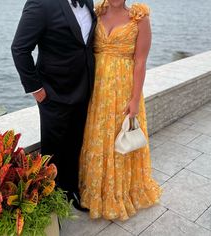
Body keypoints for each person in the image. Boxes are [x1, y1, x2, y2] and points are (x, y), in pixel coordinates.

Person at [78, 0, 162, 220]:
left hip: (123, 90)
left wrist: (135, 99)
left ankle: (119, 194)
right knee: (97, 138)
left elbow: (140, 61)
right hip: (96, 90)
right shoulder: (96, 13)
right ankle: (96, 190)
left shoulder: (139, 18)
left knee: (118, 140)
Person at [11, 0, 96, 211]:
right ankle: (49, 202)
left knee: (76, 143)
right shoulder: (41, 4)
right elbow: (19, 49)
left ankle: (71, 191)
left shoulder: (88, 2)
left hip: (84, 89)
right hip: (54, 93)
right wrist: (37, 91)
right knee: (53, 150)